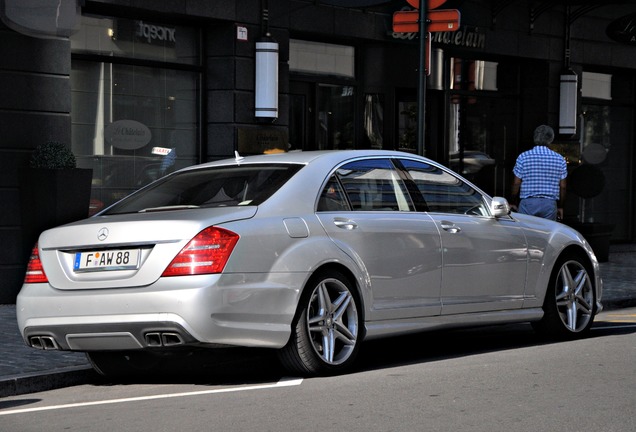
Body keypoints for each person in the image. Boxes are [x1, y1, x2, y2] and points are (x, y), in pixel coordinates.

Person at [511, 125, 567, 221]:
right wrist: (560, 206)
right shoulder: (560, 159)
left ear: (534, 138)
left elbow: (516, 183)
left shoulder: (523, 157)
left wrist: (512, 201)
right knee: (547, 234)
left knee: (525, 234)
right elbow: (563, 186)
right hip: (549, 204)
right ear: (551, 139)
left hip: (527, 203)